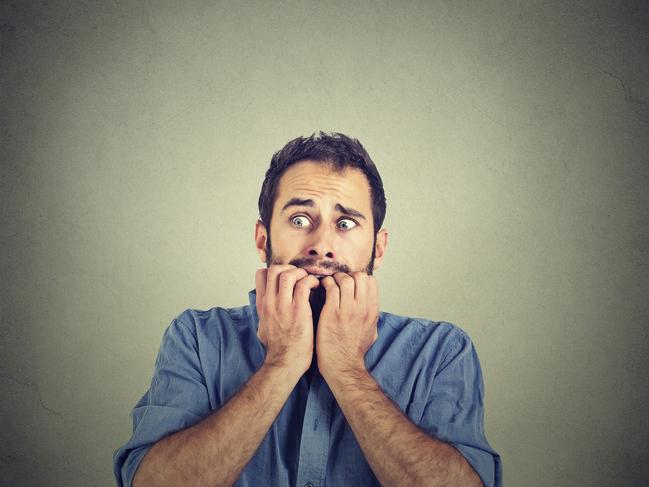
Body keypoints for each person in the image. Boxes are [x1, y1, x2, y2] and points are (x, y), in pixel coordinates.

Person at [113, 132, 502, 487]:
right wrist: (280, 363)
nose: (322, 245)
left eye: (346, 223)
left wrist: (347, 368)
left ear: (378, 249)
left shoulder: (442, 351)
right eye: (300, 219)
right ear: (263, 238)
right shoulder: (196, 338)